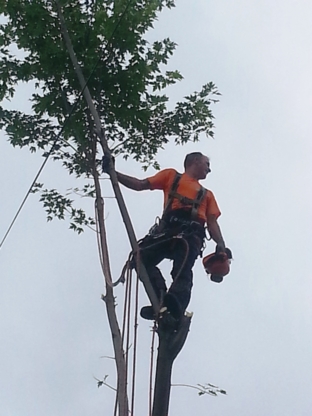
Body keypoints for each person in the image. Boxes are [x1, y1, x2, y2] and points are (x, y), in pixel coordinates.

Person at [102, 152, 227, 321]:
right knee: (140, 259)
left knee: (182, 269)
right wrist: (113, 173)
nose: (209, 169)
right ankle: (160, 300)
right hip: (167, 230)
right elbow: (140, 184)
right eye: (207, 164)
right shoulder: (171, 176)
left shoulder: (207, 194)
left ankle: (176, 305)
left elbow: (212, 222)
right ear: (195, 161)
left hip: (191, 234)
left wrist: (220, 243)